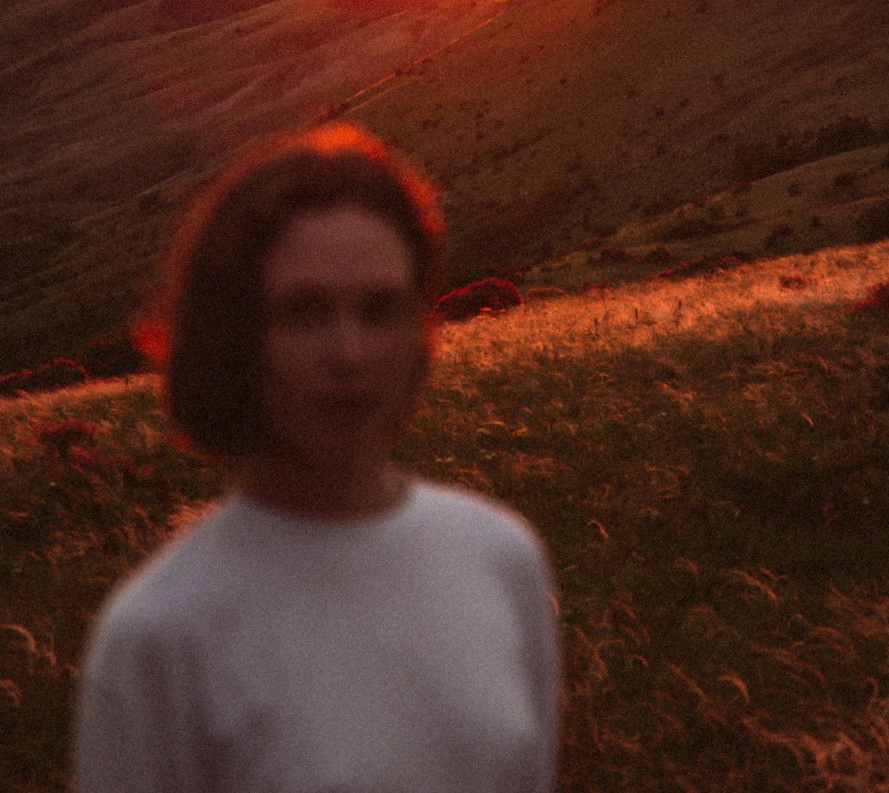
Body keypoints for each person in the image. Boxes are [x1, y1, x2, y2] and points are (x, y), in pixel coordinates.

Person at [73, 125, 560, 793]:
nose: (349, 354)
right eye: (304, 312)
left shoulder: (499, 557)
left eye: (381, 309)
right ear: (235, 334)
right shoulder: (160, 636)